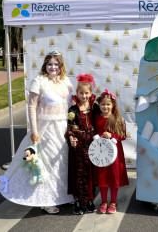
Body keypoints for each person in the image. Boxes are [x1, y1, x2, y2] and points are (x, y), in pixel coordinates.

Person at [0, 51, 74, 214]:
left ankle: (63, 195)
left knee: (61, 162)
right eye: (50, 64)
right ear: (45, 65)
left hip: (64, 129)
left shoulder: (66, 81)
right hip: (46, 129)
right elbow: (31, 107)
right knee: (45, 163)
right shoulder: (39, 81)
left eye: (56, 64)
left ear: (61, 66)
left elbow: (72, 104)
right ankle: (46, 200)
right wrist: (34, 130)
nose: (53, 67)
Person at [66, 73, 99, 215]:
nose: (83, 96)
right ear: (77, 93)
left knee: (91, 172)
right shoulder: (73, 110)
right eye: (81, 93)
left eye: (86, 93)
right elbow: (69, 127)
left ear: (91, 93)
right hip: (78, 144)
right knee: (78, 172)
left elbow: (103, 120)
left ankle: (90, 199)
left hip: (92, 143)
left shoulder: (95, 107)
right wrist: (71, 137)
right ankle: (79, 201)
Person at [94, 88, 129, 214]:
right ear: (99, 105)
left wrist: (112, 136)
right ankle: (104, 201)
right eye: (103, 104)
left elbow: (123, 136)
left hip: (115, 153)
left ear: (113, 105)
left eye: (108, 104)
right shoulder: (96, 118)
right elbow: (94, 133)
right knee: (103, 176)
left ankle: (113, 202)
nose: (105, 106)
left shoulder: (118, 119)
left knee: (114, 177)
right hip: (101, 152)